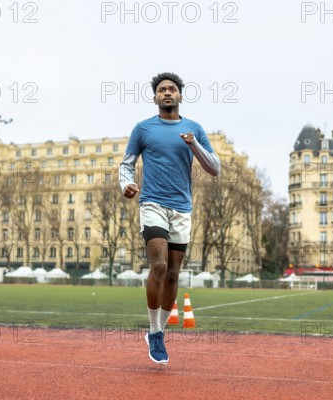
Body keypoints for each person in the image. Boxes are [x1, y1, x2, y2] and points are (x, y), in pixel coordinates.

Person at [119, 72, 220, 364]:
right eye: (161, 89)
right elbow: (126, 164)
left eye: (172, 89)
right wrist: (126, 185)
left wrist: (193, 145)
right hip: (152, 203)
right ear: (155, 97)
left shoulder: (194, 128)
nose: (166, 93)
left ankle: (159, 332)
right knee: (159, 264)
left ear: (179, 96)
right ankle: (153, 330)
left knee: (175, 273)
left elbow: (215, 168)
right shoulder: (142, 129)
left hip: (182, 208)